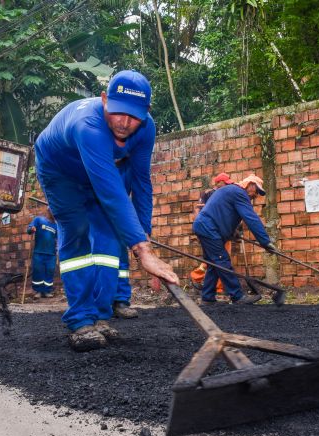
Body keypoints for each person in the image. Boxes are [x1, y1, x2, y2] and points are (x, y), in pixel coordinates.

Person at [35, 69, 179, 352]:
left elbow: (141, 182)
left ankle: (100, 316)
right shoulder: (88, 124)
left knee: (110, 239)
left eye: (134, 116)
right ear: (104, 100)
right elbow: (112, 192)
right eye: (118, 112)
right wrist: (142, 250)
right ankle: (80, 320)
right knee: (76, 229)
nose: (125, 123)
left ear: (147, 112)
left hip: (102, 172)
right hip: (60, 172)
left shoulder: (146, 129)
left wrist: (145, 244)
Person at [193, 174, 275, 305]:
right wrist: (265, 241)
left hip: (205, 226)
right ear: (250, 185)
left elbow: (224, 214)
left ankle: (207, 298)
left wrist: (233, 232)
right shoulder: (239, 193)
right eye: (257, 191)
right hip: (208, 228)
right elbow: (251, 218)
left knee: (214, 264)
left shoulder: (232, 191)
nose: (256, 195)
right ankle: (237, 296)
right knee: (222, 260)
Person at [111, 154, 152, 320]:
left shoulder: (132, 164)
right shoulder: (92, 151)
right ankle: (94, 305)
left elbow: (142, 192)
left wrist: (143, 232)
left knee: (120, 260)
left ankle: (120, 301)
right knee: (95, 259)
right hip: (91, 213)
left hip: (118, 216)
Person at [190, 172, 233, 290]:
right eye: (225, 183)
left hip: (223, 231)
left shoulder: (226, 193)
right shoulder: (208, 193)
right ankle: (197, 277)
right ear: (218, 183)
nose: (227, 186)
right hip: (210, 231)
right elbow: (198, 210)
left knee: (221, 259)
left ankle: (217, 288)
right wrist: (199, 228)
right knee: (217, 259)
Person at [27, 207, 57, 298]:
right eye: (52, 211)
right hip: (39, 252)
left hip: (51, 254)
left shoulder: (56, 225)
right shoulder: (39, 220)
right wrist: (31, 229)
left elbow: (59, 238)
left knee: (50, 271)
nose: (53, 213)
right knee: (38, 271)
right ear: (48, 211)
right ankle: (38, 291)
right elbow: (29, 230)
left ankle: (47, 291)